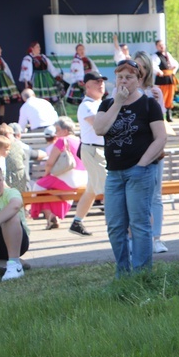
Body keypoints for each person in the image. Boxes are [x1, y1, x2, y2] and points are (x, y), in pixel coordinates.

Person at [94, 59, 167, 277]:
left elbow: (161, 138)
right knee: (115, 226)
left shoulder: (148, 105)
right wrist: (117, 102)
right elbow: (99, 129)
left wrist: (142, 164)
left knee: (139, 224)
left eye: (129, 77)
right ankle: (123, 273)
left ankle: (142, 274)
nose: (124, 81)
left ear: (139, 79)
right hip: (114, 173)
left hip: (140, 172)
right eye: (120, 77)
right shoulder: (107, 104)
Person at [134, 51, 169, 251]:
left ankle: (156, 238)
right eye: (135, 67)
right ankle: (137, 239)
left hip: (154, 150)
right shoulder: (122, 92)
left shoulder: (154, 91)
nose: (139, 71)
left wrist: (157, 102)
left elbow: (161, 122)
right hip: (133, 151)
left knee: (155, 195)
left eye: (142, 67)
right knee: (135, 197)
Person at [68, 71, 108, 237]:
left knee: (91, 190)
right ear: (87, 85)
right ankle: (118, 224)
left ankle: (77, 221)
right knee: (109, 188)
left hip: (97, 149)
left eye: (102, 81)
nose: (101, 84)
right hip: (93, 149)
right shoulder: (87, 105)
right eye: (97, 81)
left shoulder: (100, 103)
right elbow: (99, 125)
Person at [29, 116, 87, 229]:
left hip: (69, 178)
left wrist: (45, 175)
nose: (55, 133)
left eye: (57, 130)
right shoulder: (80, 140)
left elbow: (49, 163)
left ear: (65, 131)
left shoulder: (62, 140)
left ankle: (45, 215)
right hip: (83, 178)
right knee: (51, 191)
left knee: (38, 186)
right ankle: (53, 218)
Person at [0, 163, 29, 281]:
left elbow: (15, 206)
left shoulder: (11, 192)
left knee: (10, 217)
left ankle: (15, 265)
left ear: (3, 179)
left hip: (17, 242)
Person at [151, 39, 179, 122]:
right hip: (161, 80)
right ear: (156, 47)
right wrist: (159, 72)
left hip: (169, 79)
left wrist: (173, 70)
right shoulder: (155, 56)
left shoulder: (167, 55)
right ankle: (161, 115)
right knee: (162, 97)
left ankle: (169, 115)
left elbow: (175, 64)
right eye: (159, 45)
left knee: (170, 97)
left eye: (162, 45)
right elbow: (153, 66)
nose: (162, 47)